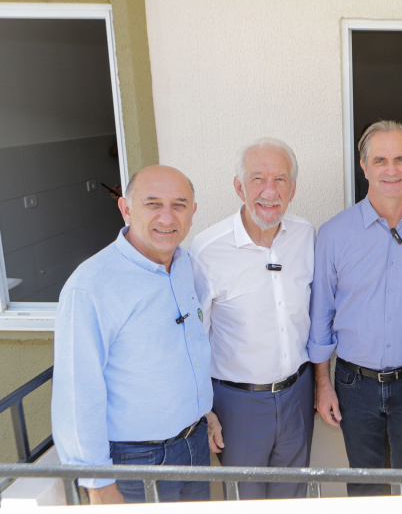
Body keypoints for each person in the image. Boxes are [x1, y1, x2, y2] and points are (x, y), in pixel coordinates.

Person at [308, 120, 402, 496]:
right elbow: (321, 315)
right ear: (364, 166)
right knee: (363, 486)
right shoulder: (334, 234)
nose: (391, 170)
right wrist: (322, 385)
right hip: (353, 384)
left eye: (400, 159)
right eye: (380, 160)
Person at [51, 165, 215, 504]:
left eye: (179, 205)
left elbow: (185, 348)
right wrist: (98, 484)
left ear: (193, 211)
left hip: (194, 445)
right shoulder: (91, 286)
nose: (167, 217)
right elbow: (77, 393)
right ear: (126, 209)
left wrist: (203, 411)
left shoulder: (183, 263)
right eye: (153, 204)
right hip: (137, 463)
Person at [189, 138, 315, 499]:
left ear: (293, 188)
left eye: (280, 180)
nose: (269, 192)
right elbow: (193, 340)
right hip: (237, 403)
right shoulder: (207, 250)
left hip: (297, 394)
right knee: (245, 500)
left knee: (293, 497)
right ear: (239, 187)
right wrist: (203, 410)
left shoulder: (306, 235)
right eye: (258, 179)